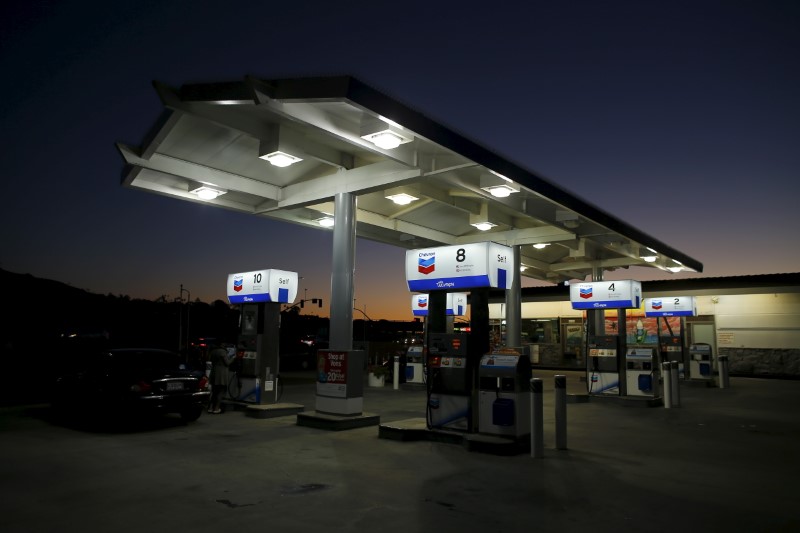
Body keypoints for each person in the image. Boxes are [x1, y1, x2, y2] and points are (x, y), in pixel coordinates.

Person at [208, 341, 233, 414]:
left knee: (214, 391)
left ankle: (210, 408)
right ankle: (216, 408)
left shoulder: (213, 351)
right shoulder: (222, 351)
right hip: (221, 374)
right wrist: (233, 358)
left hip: (214, 372)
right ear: (222, 344)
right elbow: (227, 363)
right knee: (221, 391)